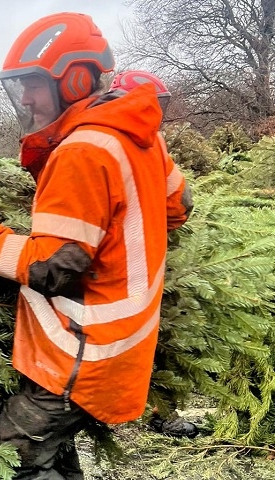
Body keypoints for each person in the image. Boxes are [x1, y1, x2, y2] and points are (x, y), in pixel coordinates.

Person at [0, 12, 193, 479]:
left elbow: (49, 267)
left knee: (17, 455)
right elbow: (178, 205)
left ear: (73, 79)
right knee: (49, 448)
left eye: (33, 84)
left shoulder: (82, 151)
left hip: (85, 348)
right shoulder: (137, 134)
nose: (26, 97)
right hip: (126, 333)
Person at [109, 70, 198, 439]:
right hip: (138, 265)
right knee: (152, 337)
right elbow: (181, 204)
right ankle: (155, 410)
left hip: (108, 268)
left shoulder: (93, 141)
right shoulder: (152, 145)